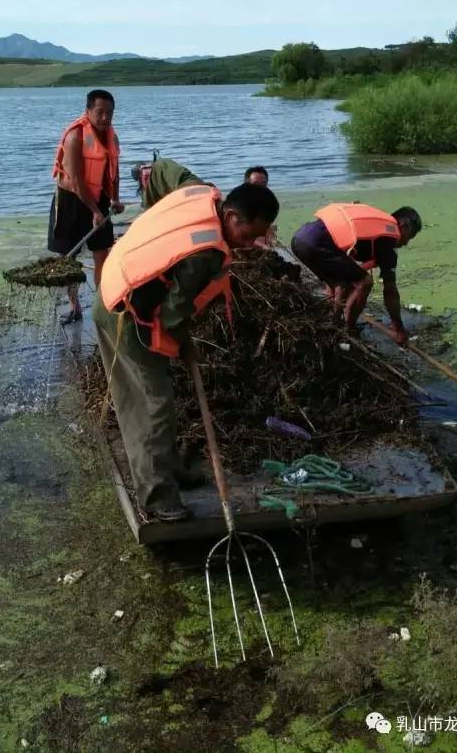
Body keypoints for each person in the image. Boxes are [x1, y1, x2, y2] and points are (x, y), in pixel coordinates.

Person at [94, 183, 280, 522]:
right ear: (232, 215)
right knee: (152, 405)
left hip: (117, 282)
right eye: (248, 233)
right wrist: (186, 346)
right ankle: (158, 497)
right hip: (125, 312)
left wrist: (179, 343)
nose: (250, 243)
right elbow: (172, 316)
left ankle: (171, 468)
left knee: (159, 391)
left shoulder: (205, 197)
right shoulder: (205, 252)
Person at [291, 203, 422, 343]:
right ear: (403, 226)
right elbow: (390, 291)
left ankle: (331, 322)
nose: (406, 243)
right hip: (317, 244)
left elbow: (345, 266)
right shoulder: (389, 239)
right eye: (411, 236)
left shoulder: (376, 223)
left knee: (340, 282)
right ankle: (347, 329)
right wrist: (399, 329)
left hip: (299, 239)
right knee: (365, 282)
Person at [48, 89, 124, 325]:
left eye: (109, 113)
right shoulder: (75, 137)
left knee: (102, 252)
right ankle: (75, 306)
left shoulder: (112, 137)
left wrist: (114, 199)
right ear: (88, 111)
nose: (105, 118)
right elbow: (78, 182)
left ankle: (102, 303)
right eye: (100, 113)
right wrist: (95, 212)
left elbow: (114, 172)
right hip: (72, 199)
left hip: (98, 198)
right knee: (68, 256)